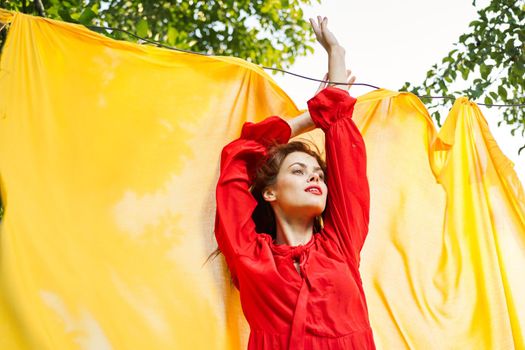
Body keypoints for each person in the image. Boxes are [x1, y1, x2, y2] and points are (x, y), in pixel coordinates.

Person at [214, 15, 375, 349]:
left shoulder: (340, 245)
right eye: (298, 171)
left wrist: (337, 58)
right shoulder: (249, 254)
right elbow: (237, 158)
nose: (314, 177)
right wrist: (308, 118)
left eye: (317, 174)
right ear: (269, 191)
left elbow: (346, 155)